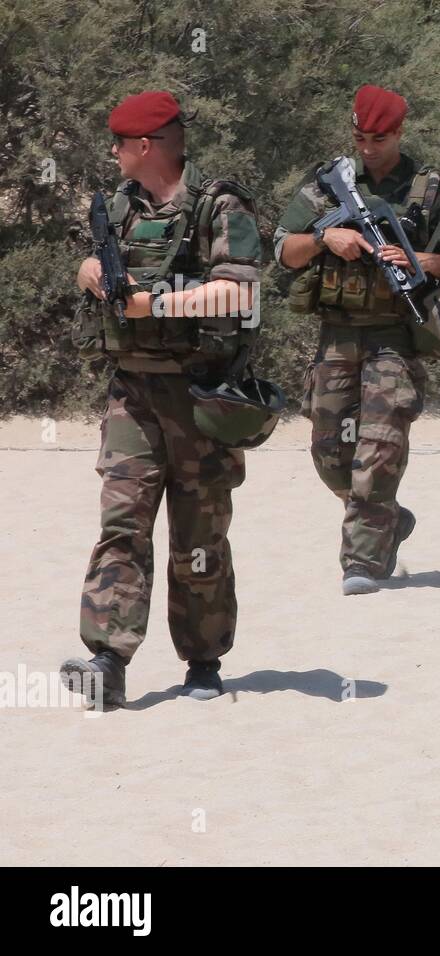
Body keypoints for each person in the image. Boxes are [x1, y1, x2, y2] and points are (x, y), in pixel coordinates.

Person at [61, 91, 267, 707]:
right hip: (132, 391)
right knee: (122, 524)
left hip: (201, 395)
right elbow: (91, 264)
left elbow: (238, 293)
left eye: (121, 143)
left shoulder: (218, 206)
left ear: (146, 146)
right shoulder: (119, 206)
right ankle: (107, 657)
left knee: (198, 534)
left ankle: (203, 659)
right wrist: (91, 272)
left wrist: (160, 303)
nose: (115, 153)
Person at [276, 85, 440, 595]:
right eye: (360, 137)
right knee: (329, 454)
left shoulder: (429, 191)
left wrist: (424, 262)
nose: (368, 147)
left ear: (400, 133)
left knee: (381, 447)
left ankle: (362, 560)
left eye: (379, 138)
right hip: (337, 334)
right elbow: (283, 250)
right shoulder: (329, 185)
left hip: (395, 336)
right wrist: (327, 238)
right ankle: (386, 515)